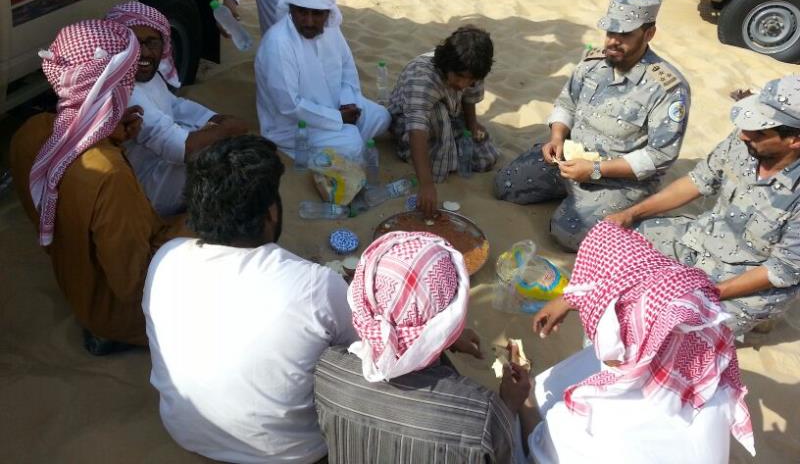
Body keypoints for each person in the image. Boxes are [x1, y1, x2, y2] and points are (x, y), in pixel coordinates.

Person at [143, 135, 355, 464]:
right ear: (271, 212)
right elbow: (364, 346)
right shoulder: (316, 285)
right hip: (291, 454)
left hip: (186, 433)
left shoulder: (165, 259)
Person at [9, 20, 184, 355]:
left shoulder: (31, 132)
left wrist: (110, 134)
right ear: (111, 86)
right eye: (127, 79)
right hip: (114, 311)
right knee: (214, 223)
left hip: (73, 279)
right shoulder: (109, 174)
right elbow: (133, 282)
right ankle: (114, 334)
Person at [523, 221, 755, 464]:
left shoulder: (582, 422)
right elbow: (640, 279)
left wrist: (522, 400)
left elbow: (536, 450)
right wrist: (573, 298)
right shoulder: (711, 387)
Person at [494, 0, 690, 251]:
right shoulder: (593, 63)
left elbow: (660, 156)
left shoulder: (668, 88)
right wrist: (557, 137)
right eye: (610, 32)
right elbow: (567, 103)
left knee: (566, 233)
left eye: (625, 35)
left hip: (618, 179)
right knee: (505, 186)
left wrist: (596, 170)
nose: (613, 41)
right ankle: (572, 197)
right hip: (569, 160)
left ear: (648, 34)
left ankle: (630, 214)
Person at [606, 75, 800, 335]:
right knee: (622, 246)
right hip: (705, 239)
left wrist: (705, 292)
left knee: (670, 328)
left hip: (748, 280)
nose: (743, 134)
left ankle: (760, 319)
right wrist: (630, 214)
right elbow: (699, 181)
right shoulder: (747, 140)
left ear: (793, 140)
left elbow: (783, 269)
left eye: (759, 130)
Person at [314, 231, 523, 463]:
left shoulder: (328, 370)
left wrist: (444, 342)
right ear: (449, 321)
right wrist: (509, 407)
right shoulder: (482, 417)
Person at [106, 1, 249, 216]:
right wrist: (226, 130)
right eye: (134, 43)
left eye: (152, 42)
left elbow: (175, 105)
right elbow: (178, 148)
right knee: (228, 158)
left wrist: (216, 118)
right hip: (148, 189)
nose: (143, 52)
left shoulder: (144, 77)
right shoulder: (124, 90)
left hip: (160, 167)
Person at [255, 0, 390, 161]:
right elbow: (289, 106)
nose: (309, 21)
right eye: (302, 12)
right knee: (352, 145)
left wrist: (347, 101)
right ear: (291, 9)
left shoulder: (331, 30)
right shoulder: (278, 43)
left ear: (328, 13)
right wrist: (338, 118)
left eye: (317, 13)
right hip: (295, 126)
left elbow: (346, 68)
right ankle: (333, 147)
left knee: (381, 117)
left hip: (336, 107)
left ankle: (343, 143)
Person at [388, 26, 499, 217]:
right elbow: (417, 129)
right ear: (447, 64)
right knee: (438, 116)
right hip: (409, 124)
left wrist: (471, 126)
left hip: (451, 114)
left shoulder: (473, 69)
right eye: (459, 77)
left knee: (485, 157)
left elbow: (469, 96)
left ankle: (449, 151)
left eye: (470, 79)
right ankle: (435, 160)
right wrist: (426, 185)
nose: (463, 84)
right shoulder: (423, 78)